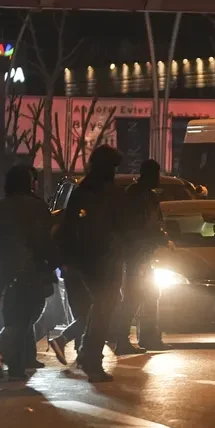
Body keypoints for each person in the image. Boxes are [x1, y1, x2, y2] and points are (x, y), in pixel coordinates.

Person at [55, 145, 124, 382]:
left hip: (85, 259)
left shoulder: (83, 189)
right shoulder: (108, 192)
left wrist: (65, 259)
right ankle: (90, 357)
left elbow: (68, 225)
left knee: (100, 306)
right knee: (104, 306)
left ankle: (88, 353)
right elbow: (119, 228)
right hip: (102, 259)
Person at [0, 165, 57, 379]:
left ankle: (16, 367)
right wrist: (54, 261)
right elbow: (43, 240)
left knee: (13, 316)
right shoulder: (36, 207)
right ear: (29, 183)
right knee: (28, 315)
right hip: (29, 270)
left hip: (1, 272)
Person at [114, 159, 169, 354]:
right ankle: (122, 339)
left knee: (149, 294)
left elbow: (156, 224)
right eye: (156, 174)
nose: (158, 178)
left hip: (145, 253)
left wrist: (161, 238)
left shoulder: (149, 197)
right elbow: (136, 228)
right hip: (135, 255)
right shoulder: (134, 196)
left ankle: (148, 337)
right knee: (133, 297)